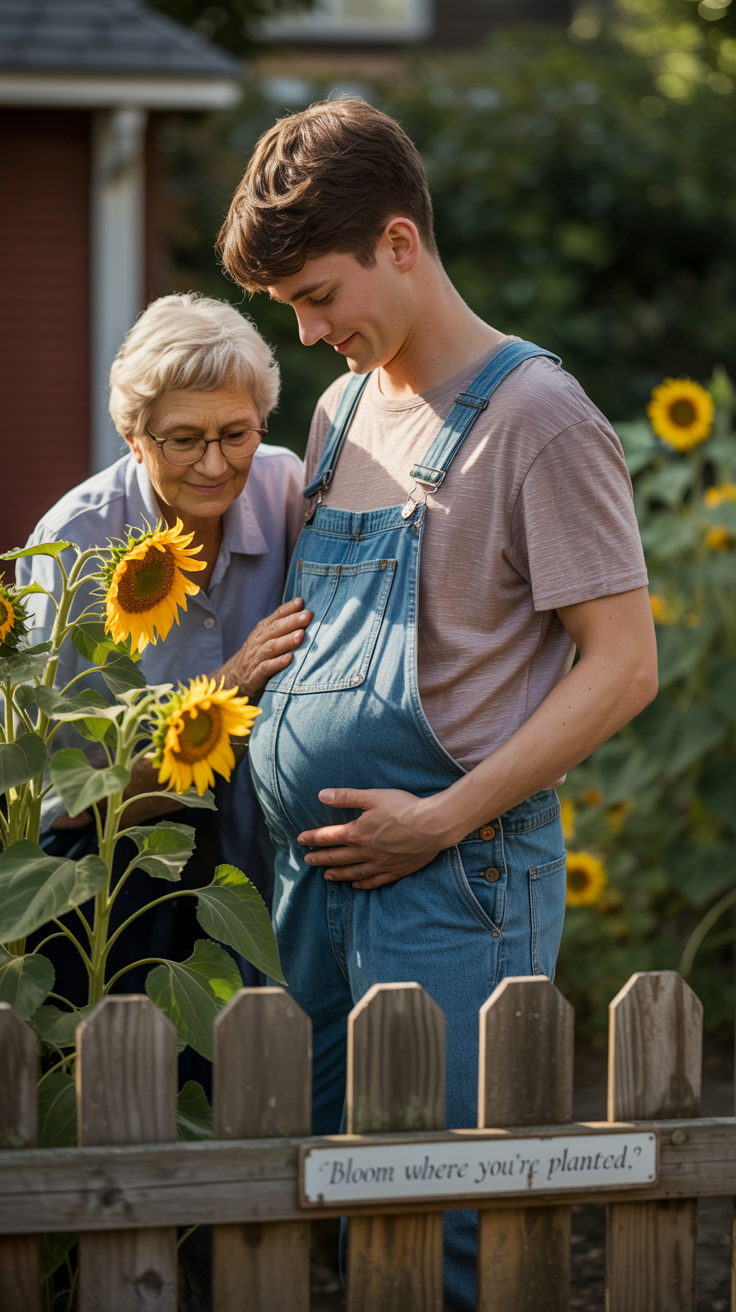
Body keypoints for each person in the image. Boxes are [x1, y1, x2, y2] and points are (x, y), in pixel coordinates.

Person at [217, 100, 658, 1308]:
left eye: (318, 295)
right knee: (319, 1206)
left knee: (443, 1226)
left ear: (400, 243)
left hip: (455, 885)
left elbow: (622, 666)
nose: (308, 332)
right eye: (292, 309)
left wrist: (442, 817)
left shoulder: (538, 419)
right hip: (312, 885)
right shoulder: (342, 411)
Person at [18, 293, 313, 1014]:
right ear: (134, 436)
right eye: (184, 439)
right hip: (117, 890)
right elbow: (68, 804)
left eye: (237, 433)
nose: (215, 464)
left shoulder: (288, 490)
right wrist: (229, 689)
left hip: (262, 868)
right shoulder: (77, 546)